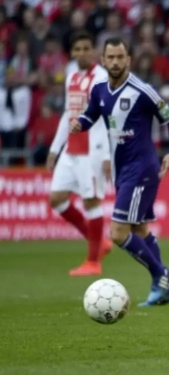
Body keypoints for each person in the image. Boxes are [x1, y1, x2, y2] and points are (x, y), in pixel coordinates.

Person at [69, 37, 169, 307]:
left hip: (141, 168)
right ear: (103, 60)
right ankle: (164, 289)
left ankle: (161, 274)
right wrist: (80, 123)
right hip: (121, 171)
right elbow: (91, 115)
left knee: (118, 233)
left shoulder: (142, 91)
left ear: (128, 60)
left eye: (121, 57)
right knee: (140, 228)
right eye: (111, 57)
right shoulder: (99, 90)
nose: (116, 62)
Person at [47, 31, 113, 276]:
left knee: (91, 201)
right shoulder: (71, 76)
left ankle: (93, 261)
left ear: (94, 51)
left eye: (86, 48)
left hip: (92, 149)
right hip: (71, 148)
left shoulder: (102, 78)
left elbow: (107, 117)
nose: (82, 53)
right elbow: (68, 113)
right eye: (78, 49)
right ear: (72, 53)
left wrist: (106, 155)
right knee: (56, 198)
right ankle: (99, 242)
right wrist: (55, 149)